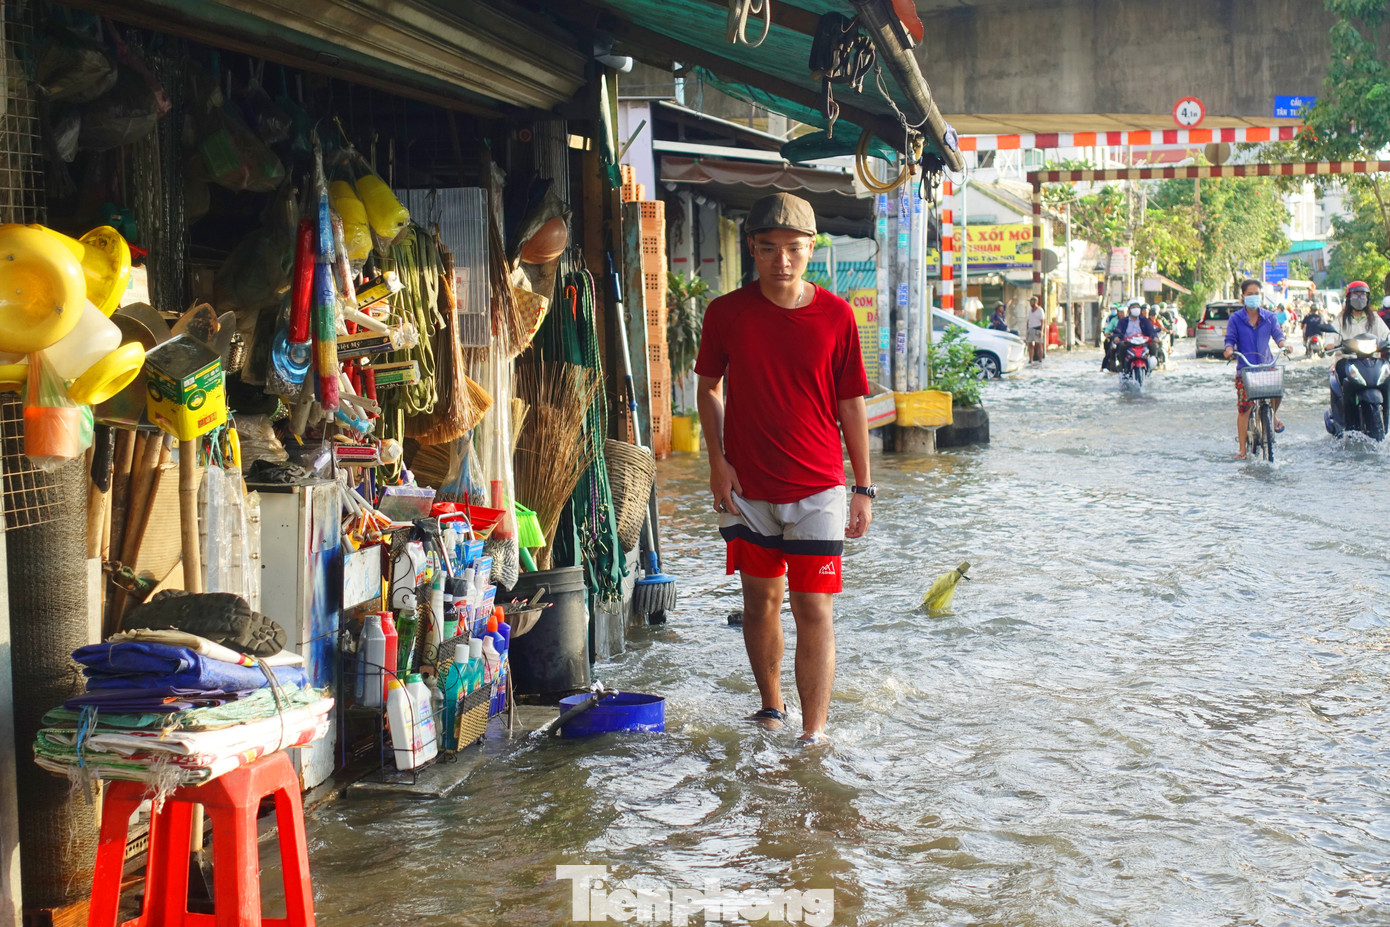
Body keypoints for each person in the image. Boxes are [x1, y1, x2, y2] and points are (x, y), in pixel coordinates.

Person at [693, 192, 872, 747]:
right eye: (769, 249)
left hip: (819, 484)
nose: (782, 261)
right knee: (760, 601)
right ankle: (771, 706)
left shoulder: (837, 316)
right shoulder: (726, 312)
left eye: (794, 249)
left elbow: (851, 405)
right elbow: (707, 388)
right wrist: (717, 462)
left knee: (813, 607)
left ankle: (813, 735)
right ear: (752, 249)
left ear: (811, 249)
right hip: (747, 486)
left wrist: (862, 486)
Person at [1223, 279, 1287, 459]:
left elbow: (1278, 335)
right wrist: (1229, 350)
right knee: (1244, 409)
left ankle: (1272, 415)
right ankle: (1242, 450)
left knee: (1278, 391)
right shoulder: (1236, 318)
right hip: (1246, 369)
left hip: (1266, 366)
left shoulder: (1269, 317)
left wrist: (1284, 345)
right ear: (1243, 297)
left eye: (1256, 294)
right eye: (1249, 294)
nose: (1253, 297)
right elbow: (1230, 339)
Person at [1025, 296, 1045, 363]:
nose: (1030, 303)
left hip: (1037, 329)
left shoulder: (1040, 310)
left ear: (1035, 302)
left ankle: (1040, 359)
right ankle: (1030, 359)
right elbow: (1028, 321)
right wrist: (1027, 330)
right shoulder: (1030, 311)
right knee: (1030, 344)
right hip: (1030, 329)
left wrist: (1041, 331)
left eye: (1031, 302)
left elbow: (1042, 321)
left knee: (1038, 345)